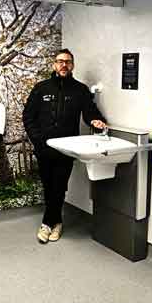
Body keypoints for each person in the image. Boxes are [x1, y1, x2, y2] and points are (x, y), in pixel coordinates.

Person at [23, 49, 106, 244]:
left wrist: (97, 121)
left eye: (68, 62)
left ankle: (47, 223)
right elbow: (28, 116)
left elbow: (90, 112)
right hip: (44, 147)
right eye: (60, 61)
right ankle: (57, 221)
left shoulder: (80, 90)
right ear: (54, 64)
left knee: (59, 185)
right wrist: (37, 140)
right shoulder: (41, 88)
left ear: (72, 66)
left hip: (67, 148)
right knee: (48, 185)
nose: (64, 65)